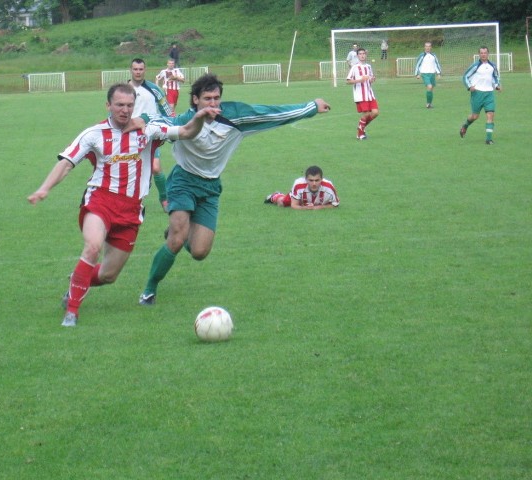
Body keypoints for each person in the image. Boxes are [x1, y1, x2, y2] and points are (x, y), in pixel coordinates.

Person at [27, 83, 219, 327]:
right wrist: (44, 188)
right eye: (119, 105)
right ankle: (72, 311)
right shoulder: (94, 134)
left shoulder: (148, 131)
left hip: (131, 211)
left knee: (108, 275)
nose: (125, 110)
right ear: (108, 105)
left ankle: (78, 280)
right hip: (100, 202)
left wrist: (200, 117)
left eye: (129, 105)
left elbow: (186, 132)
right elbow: (66, 163)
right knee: (93, 246)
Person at [138, 73, 331, 306]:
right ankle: (149, 290)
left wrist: (311, 107)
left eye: (216, 98)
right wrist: (140, 119)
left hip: (211, 187)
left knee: (199, 252)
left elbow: (273, 113)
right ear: (195, 100)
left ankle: (176, 235)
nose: (213, 103)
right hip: (183, 182)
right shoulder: (184, 121)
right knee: (178, 238)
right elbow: (154, 122)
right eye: (207, 98)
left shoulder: (236, 117)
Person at [129, 58, 172, 212]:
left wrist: (166, 128)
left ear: (145, 70)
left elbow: (167, 111)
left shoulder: (154, 89)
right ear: (131, 70)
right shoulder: (124, 90)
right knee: (134, 170)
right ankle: (136, 201)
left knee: (155, 167)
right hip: (130, 137)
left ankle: (164, 198)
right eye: (135, 69)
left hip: (151, 137)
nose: (138, 72)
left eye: (141, 69)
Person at [459, 46, 501, 145]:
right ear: (479, 54)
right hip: (477, 93)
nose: (483, 54)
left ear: (488, 54)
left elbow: (495, 76)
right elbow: (465, 76)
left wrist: (497, 85)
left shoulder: (492, 66)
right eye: (481, 53)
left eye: (485, 53)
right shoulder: (475, 66)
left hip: (489, 94)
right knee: (475, 116)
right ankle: (465, 126)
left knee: (490, 115)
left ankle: (488, 139)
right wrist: (469, 87)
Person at [264, 166, 339, 209]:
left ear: (321, 179)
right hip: (300, 199)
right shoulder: (299, 184)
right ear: (306, 179)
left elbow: (335, 204)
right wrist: (307, 208)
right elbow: (294, 205)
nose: (314, 183)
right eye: (311, 180)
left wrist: (319, 207)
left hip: (318, 202)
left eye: (317, 180)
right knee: (282, 203)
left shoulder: (329, 187)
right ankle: (275, 195)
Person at [346, 48, 379, 140]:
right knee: (366, 114)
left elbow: (371, 78)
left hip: (370, 94)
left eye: (363, 53)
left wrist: (372, 79)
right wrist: (360, 80)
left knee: (375, 113)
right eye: (360, 54)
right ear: (357, 56)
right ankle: (360, 134)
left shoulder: (368, 66)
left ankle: (361, 126)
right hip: (360, 95)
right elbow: (348, 81)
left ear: (366, 55)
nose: (362, 55)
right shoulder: (354, 67)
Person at [414, 42, 442, 109]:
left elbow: (437, 64)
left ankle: (429, 103)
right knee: (429, 86)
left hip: (432, 74)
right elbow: (417, 65)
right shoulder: (422, 55)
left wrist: (438, 73)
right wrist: (417, 74)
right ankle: (428, 104)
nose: (428, 47)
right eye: (426, 46)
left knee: (431, 89)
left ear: (431, 47)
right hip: (425, 74)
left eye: (429, 46)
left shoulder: (433, 55)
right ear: (424, 47)